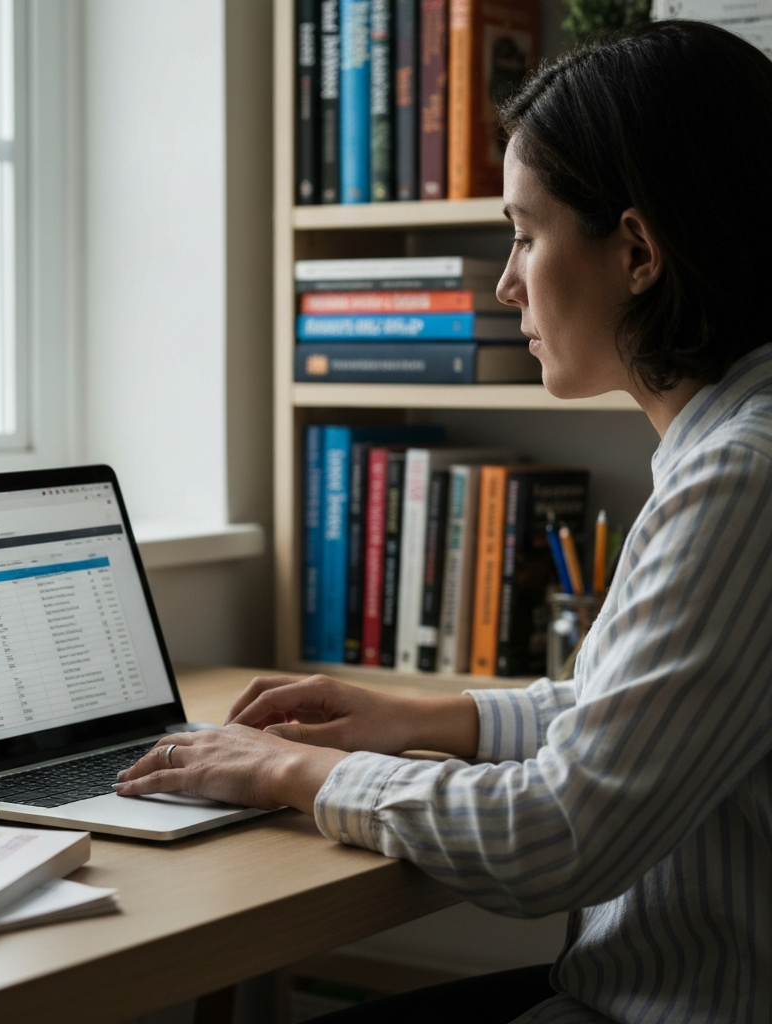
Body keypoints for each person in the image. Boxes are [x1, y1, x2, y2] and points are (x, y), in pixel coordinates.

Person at [116, 20, 772, 1023]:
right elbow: (636, 715)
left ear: (635, 250)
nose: (505, 281)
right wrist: (424, 718)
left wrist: (293, 768)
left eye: (523, 232)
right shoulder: (732, 445)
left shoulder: (739, 479)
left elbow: (562, 831)